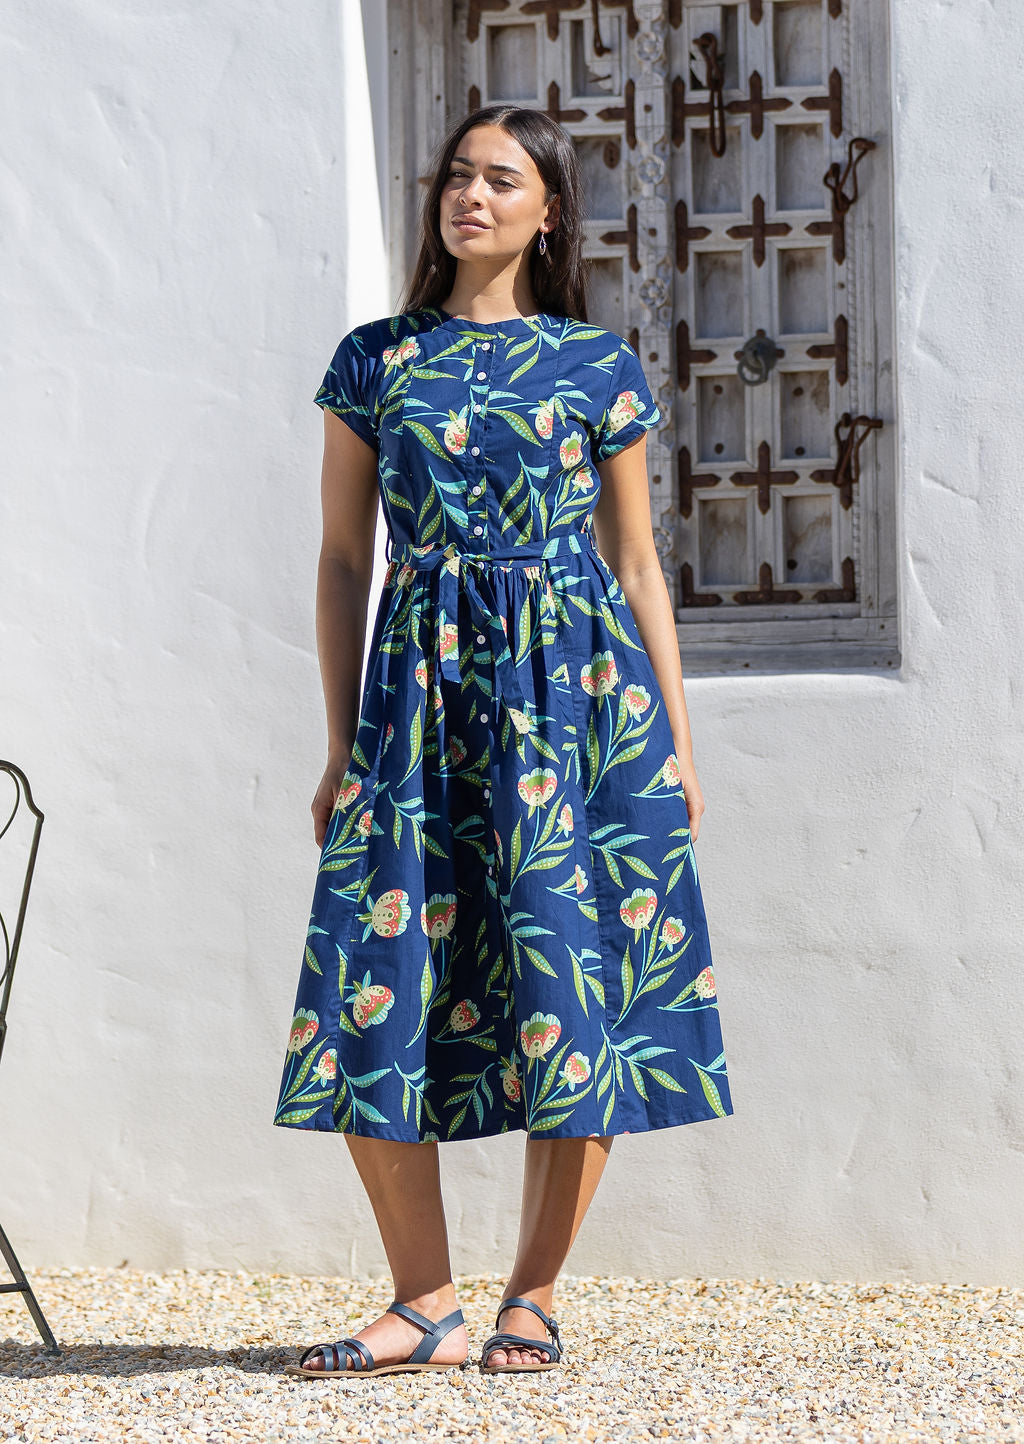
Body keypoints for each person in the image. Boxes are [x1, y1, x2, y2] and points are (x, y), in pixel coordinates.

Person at [275, 103, 734, 1379]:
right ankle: (422, 1300)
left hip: (583, 710)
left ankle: (532, 1293)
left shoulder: (596, 365)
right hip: (418, 707)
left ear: (546, 212)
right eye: (457, 176)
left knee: (577, 987)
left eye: (501, 179)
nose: (469, 196)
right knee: (370, 987)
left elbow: (638, 565)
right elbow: (339, 560)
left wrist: (679, 746)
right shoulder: (376, 360)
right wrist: (338, 744)